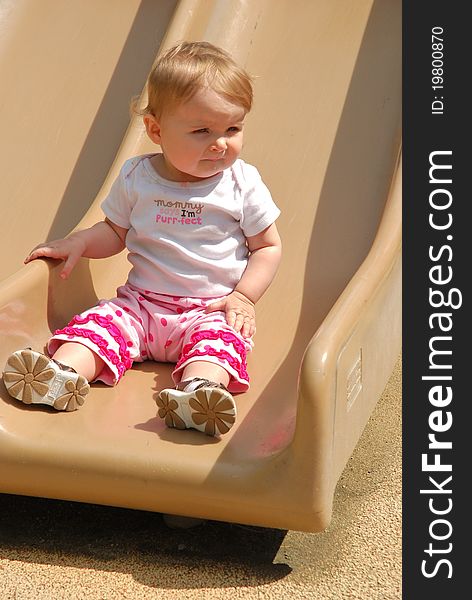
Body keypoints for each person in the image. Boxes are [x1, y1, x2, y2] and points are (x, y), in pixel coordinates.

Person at [2, 41, 282, 436]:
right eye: (202, 131)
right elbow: (114, 232)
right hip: (141, 306)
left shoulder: (241, 183)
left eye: (232, 129)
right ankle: (61, 374)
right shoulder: (137, 177)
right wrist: (79, 242)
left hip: (209, 310)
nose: (221, 143)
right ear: (156, 129)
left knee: (218, 346)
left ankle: (200, 394)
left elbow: (267, 246)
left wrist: (243, 296)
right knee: (98, 325)